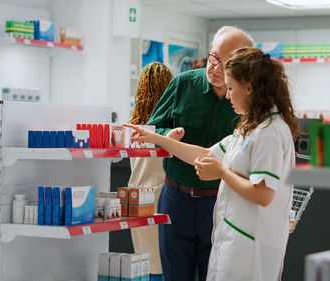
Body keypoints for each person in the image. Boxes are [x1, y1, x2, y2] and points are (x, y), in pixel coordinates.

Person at [125, 46, 300, 281]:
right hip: (233, 238)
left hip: (251, 246)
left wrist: (221, 173)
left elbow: (263, 194)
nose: (227, 95)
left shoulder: (270, 132)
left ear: (248, 88)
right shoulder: (249, 128)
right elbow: (205, 154)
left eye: (231, 88)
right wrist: (155, 137)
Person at [145, 26, 255, 281]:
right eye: (213, 57)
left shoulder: (248, 100)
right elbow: (152, 128)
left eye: (225, 64)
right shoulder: (183, 84)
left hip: (222, 202)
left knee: (216, 275)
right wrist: (166, 137)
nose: (215, 68)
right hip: (176, 199)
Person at [128, 62, 173, 281]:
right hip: (160, 196)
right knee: (161, 265)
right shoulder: (170, 127)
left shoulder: (134, 125)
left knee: (142, 264)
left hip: (135, 198)